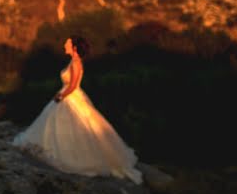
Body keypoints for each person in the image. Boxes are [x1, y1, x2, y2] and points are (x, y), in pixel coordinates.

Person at [12, 35, 143, 183]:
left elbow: (73, 85)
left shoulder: (76, 63)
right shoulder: (73, 61)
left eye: (67, 44)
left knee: (75, 125)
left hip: (71, 97)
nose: (65, 45)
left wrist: (62, 96)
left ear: (74, 47)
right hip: (66, 94)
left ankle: (72, 155)